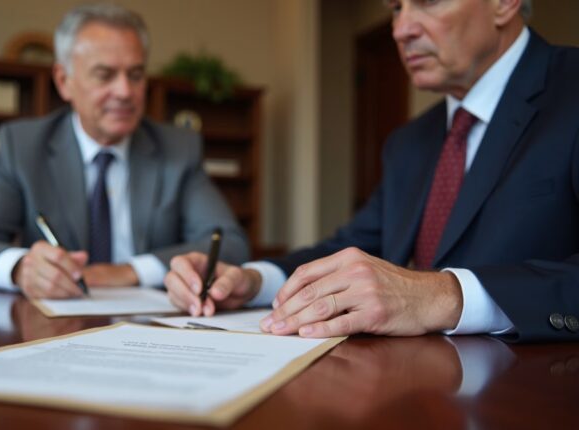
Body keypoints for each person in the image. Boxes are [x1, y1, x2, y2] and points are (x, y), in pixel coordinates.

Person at [165, 0, 579, 342]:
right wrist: (254, 280)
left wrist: (443, 295)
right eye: (396, 8)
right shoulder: (410, 142)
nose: (401, 29)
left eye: (426, 2)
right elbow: (355, 245)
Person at [0, 3, 248, 298]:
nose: (125, 91)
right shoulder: (25, 146)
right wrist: (20, 269)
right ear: (64, 81)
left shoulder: (178, 149)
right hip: (56, 326)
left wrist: (130, 271)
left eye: (136, 75)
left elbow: (229, 245)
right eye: (105, 75)